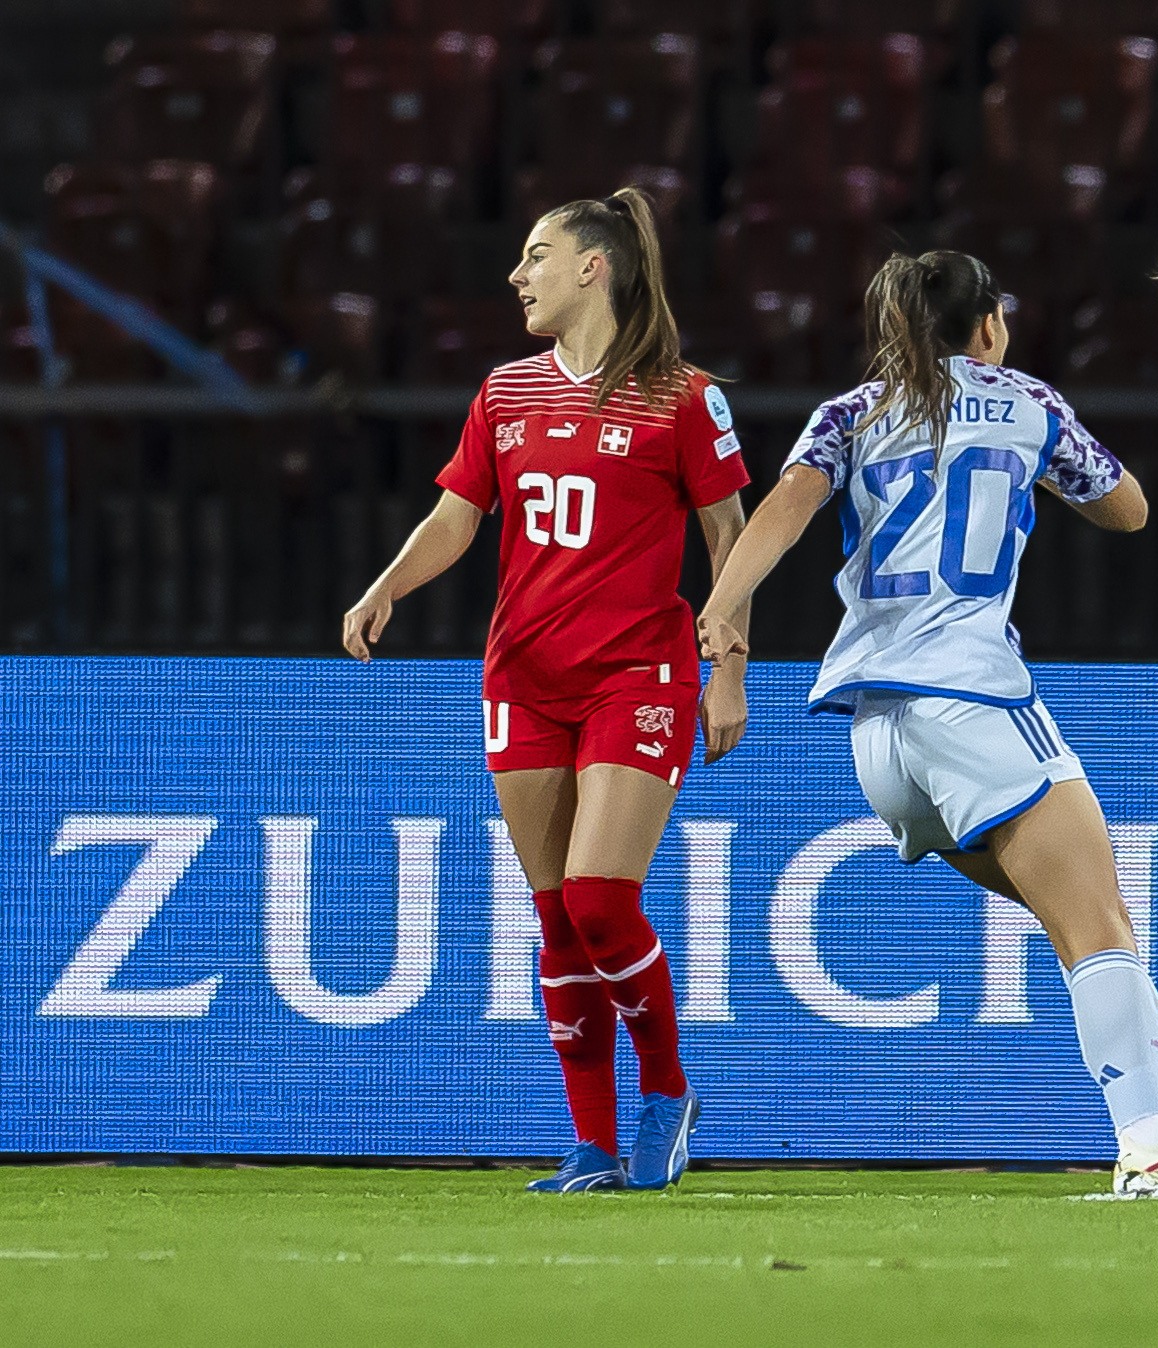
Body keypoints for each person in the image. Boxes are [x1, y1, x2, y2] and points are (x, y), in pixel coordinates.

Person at [693, 249, 1158, 1196]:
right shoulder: (1027, 403)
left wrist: (723, 619)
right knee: (1098, 923)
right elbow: (1128, 510)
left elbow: (784, 510)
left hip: (876, 733)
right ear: (990, 326)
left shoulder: (849, 413)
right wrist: (1028, 468)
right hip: (971, 697)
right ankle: (1150, 1150)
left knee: (1083, 919)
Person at [341, 187, 750, 1194]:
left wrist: (728, 667)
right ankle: (593, 1142)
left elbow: (730, 539)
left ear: (592, 268)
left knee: (603, 897)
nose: (516, 275)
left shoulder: (685, 396)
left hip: (637, 672)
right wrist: (386, 584)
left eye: (536, 255)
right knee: (557, 917)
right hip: (522, 675)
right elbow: (455, 517)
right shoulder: (505, 392)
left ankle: (667, 1092)